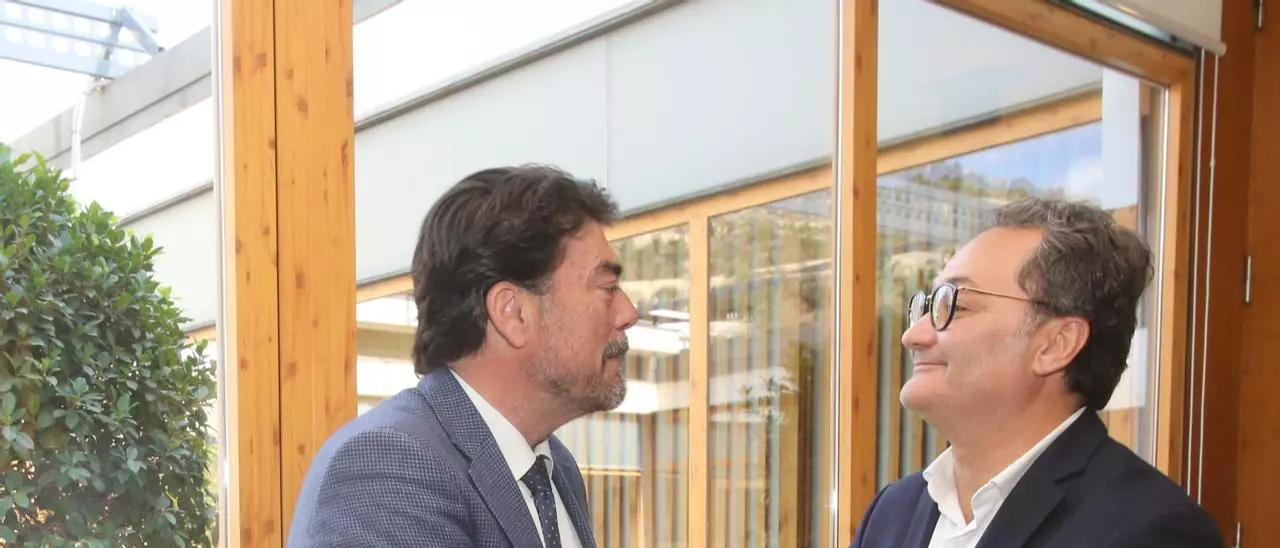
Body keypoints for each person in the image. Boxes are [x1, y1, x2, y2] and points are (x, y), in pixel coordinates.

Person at [288, 164, 639, 547]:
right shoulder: (389, 466)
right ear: (512, 313)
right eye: (607, 288)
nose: (628, 313)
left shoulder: (556, 469)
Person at [851, 197, 1222, 548]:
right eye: (927, 306)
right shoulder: (891, 512)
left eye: (955, 306)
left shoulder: (1150, 528)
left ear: (1056, 345)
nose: (912, 336)